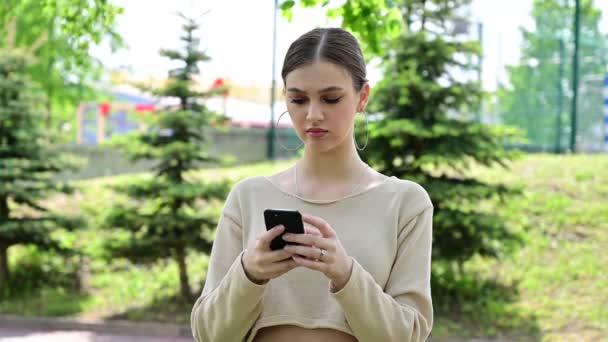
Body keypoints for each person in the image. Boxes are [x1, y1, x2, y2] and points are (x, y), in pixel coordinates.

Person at [191, 27, 434, 342]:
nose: (313, 114)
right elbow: (209, 335)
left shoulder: (405, 203)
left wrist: (345, 274)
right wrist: (249, 271)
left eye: (331, 99)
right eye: (298, 99)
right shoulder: (248, 197)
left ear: (363, 97)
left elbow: (407, 336)